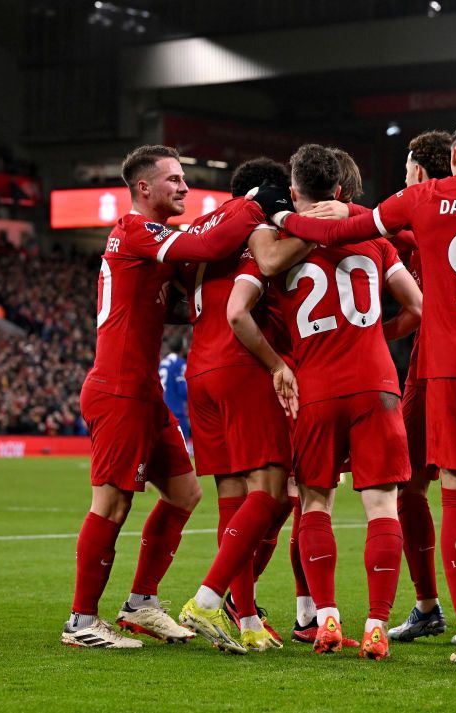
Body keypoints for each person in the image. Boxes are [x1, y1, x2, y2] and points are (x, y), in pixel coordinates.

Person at [251, 111, 456, 671]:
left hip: (444, 368)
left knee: (450, 491)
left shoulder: (424, 199)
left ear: (452, 156)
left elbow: (334, 232)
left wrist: (286, 211)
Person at [62, 144, 273, 649]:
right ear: (143, 188)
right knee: (111, 505)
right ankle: (82, 621)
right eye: (175, 180)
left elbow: (200, 266)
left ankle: (141, 603)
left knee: (185, 494)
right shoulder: (135, 231)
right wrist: (252, 204)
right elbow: (204, 246)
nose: (183, 187)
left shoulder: (157, 243)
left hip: (144, 392)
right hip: (118, 389)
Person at [249, 144, 424, 660]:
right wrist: (375, 334)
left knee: (316, 500)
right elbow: (417, 307)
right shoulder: (373, 239)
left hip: (315, 386)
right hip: (376, 382)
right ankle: (375, 625)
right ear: (343, 193)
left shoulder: (280, 243)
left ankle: (325, 619)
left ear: (296, 191)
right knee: (382, 506)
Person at [176, 158, 302, 653]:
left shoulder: (207, 227)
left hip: (199, 370)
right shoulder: (254, 228)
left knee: (233, 500)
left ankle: (247, 620)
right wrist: (276, 363)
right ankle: (206, 601)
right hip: (241, 365)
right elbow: (248, 300)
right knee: (270, 491)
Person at [158, 340, 190, 453]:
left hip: (160, 410)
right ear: (182, 348)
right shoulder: (180, 363)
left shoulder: (162, 363)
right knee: (182, 452)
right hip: (176, 411)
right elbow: (183, 390)